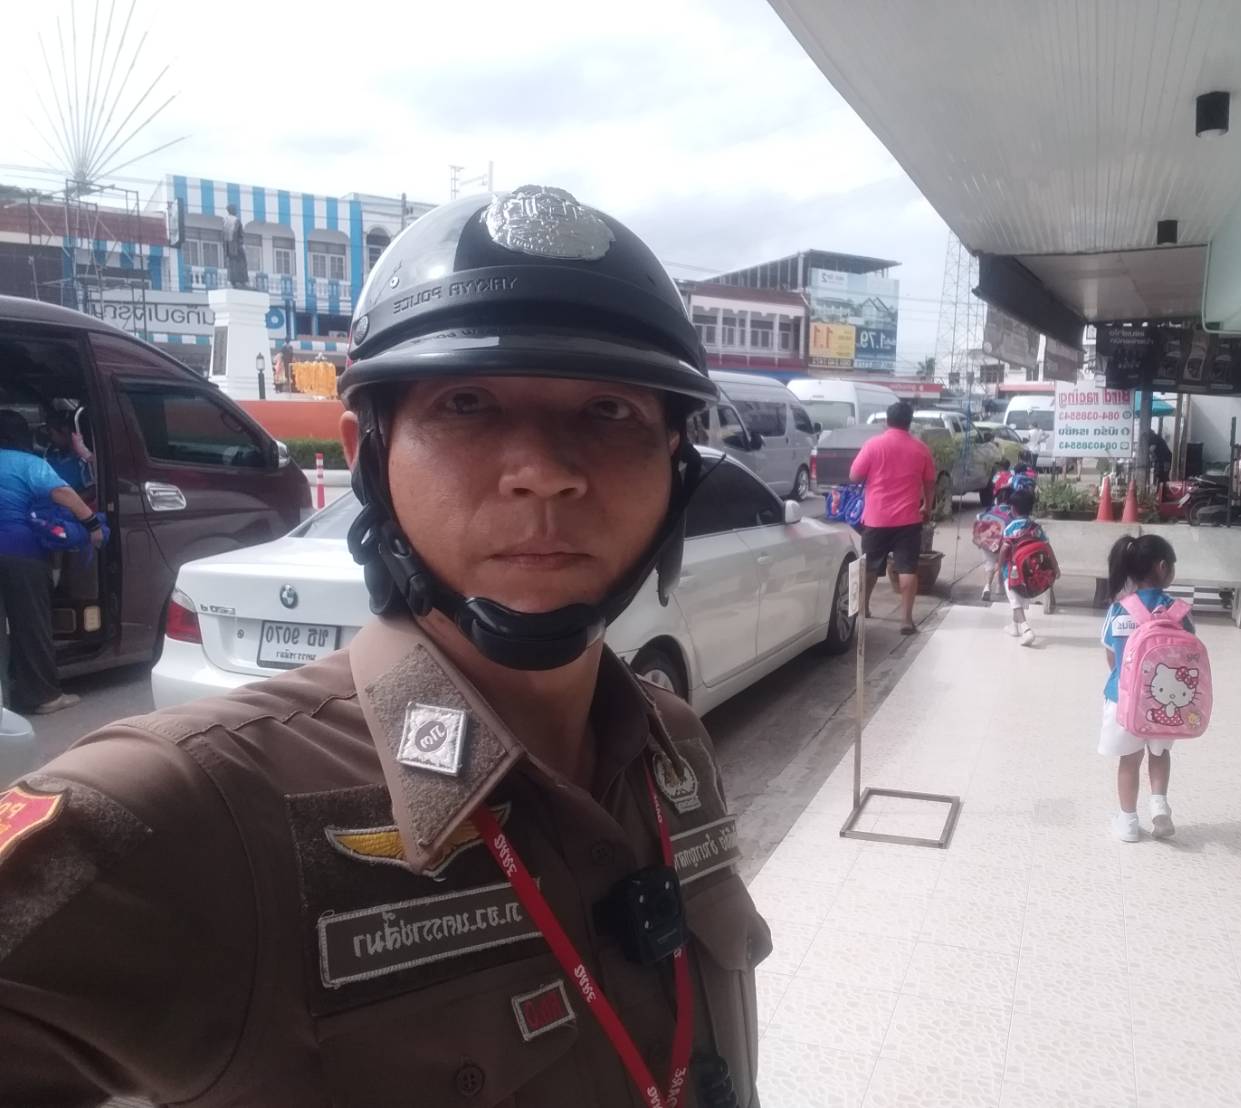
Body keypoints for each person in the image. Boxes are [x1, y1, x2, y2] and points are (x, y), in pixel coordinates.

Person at [0, 186, 770, 1107]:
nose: (543, 474)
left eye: (608, 412)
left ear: (676, 468)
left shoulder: (671, 741)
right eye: (467, 404)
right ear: (368, 454)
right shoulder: (187, 805)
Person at [0, 409, 102, 716]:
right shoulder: (29, 463)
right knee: (30, 624)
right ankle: (42, 696)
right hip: (21, 553)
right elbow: (61, 492)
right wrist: (92, 525)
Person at [1100, 533, 1191, 842]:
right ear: (1163, 567)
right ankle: (1159, 805)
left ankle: (1127, 822)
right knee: (1160, 753)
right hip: (1166, 703)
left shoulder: (1119, 609)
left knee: (1129, 760)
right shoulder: (1178, 611)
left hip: (1125, 701)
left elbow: (1111, 657)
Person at [850, 400, 935, 635]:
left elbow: (854, 475)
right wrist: (927, 507)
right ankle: (906, 620)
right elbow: (930, 483)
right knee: (907, 569)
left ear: (887, 421)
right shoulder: (921, 449)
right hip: (908, 519)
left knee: (869, 567)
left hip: (876, 518)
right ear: (909, 422)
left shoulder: (873, 445)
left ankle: (864, 609)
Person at [998, 486, 1046, 645]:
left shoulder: (1010, 529)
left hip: (1012, 571)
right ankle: (1014, 626)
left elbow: (1004, 549)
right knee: (1017, 598)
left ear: (1012, 509)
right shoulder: (1036, 528)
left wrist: (999, 568)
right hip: (1030, 570)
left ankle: (1026, 630)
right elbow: (1046, 546)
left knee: (1014, 601)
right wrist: (1055, 568)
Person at [43, 408, 93, 494]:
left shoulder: (83, 462)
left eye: (51, 433)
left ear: (65, 431)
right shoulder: (52, 455)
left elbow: (92, 490)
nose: (50, 438)